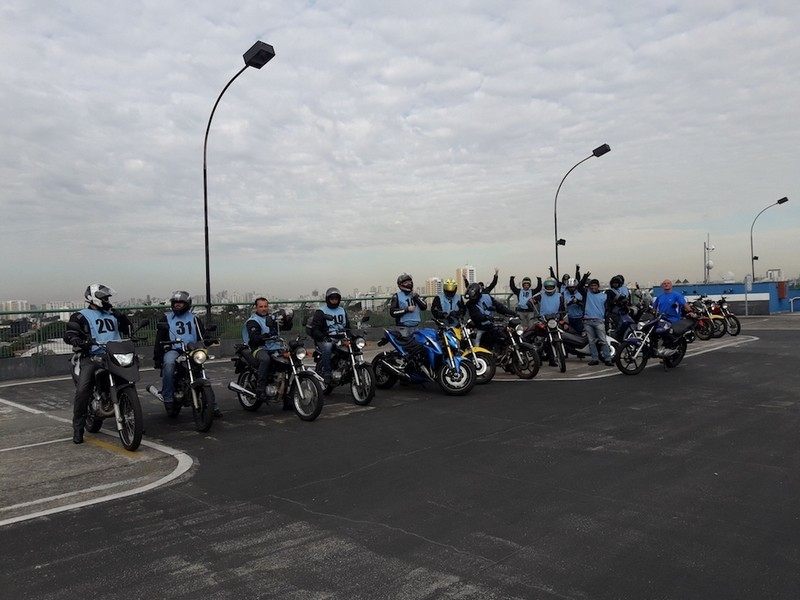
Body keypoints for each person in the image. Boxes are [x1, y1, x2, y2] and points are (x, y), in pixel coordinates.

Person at [63, 284, 133, 444]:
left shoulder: (112, 314)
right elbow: (69, 333)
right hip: (92, 356)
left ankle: (132, 418)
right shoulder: (80, 316)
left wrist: (121, 317)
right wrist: (75, 338)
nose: (107, 301)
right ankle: (78, 428)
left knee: (128, 381)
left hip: (114, 355)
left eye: (107, 298)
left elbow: (128, 329)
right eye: (105, 298)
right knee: (83, 390)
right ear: (94, 298)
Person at [153, 291, 223, 418]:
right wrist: (157, 357)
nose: (178, 305)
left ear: (187, 304)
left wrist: (209, 338)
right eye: (175, 303)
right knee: (168, 364)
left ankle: (214, 405)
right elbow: (159, 339)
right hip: (174, 350)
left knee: (202, 374)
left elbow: (201, 335)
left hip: (192, 350)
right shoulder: (166, 318)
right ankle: (168, 397)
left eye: (181, 303)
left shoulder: (194, 318)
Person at [243, 297, 294, 409]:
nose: (263, 309)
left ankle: (287, 395)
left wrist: (288, 320)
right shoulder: (253, 321)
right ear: (256, 307)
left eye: (265, 306)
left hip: (275, 347)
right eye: (261, 306)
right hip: (258, 348)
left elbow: (285, 327)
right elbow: (254, 338)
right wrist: (264, 336)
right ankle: (260, 389)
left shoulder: (272, 318)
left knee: (290, 361)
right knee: (265, 359)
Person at [309, 287, 351, 386]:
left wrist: (353, 334)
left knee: (355, 345)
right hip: (326, 337)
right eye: (332, 298)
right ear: (328, 299)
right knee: (327, 347)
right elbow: (314, 329)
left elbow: (348, 326)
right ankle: (327, 373)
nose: (334, 300)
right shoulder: (321, 311)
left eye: (336, 298)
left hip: (341, 337)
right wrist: (323, 337)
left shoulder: (342, 310)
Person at [463, 282, 516, 348]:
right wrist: (486, 317)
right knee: (476, 347)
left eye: (474, 296)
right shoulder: (470, 304)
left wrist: (513, 313)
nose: (473, 298)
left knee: (504, 336)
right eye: (471, 297)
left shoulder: (487, 297)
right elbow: (476, 315)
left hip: (491, 325)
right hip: (480, 328)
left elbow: (499, 307)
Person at [582, 279, 613, 366]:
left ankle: (608, 359)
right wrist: (583, 277)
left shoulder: (604, 296)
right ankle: (595, 359)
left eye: (595, 285)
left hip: (599, 321)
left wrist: (606, 323)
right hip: (587, 321)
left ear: (598, 286)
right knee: (591, 341)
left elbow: (607, 310)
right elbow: (579, 287)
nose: (593, 287)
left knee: (603, 341)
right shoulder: (587, 294)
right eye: (591, 286)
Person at [389, 273, 428, 337]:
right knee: (405, 345)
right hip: (403, 328)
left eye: (410, 281)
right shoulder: (397, 296)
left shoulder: (415, 295)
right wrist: (406, 310)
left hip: (416, 326)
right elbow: (393, 312)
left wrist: (416, 297)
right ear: (400, 285)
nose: (409, 284)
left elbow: (424, 307)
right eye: (406, 282)